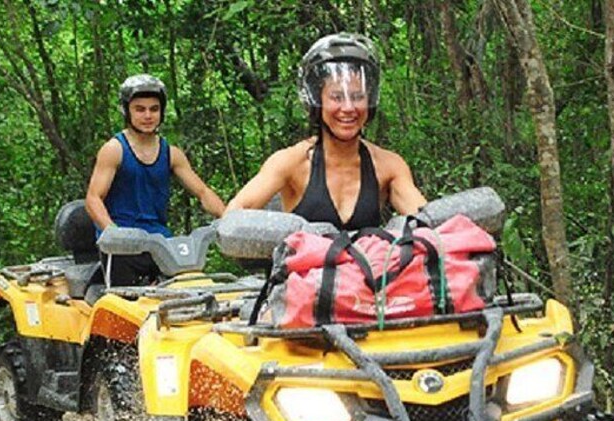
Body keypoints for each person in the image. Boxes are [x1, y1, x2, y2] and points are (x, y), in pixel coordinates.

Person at [226, 33, 426, 230]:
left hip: (369, 262)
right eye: (337, 97)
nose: (348, 108)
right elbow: (235, 214)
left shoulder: (389, 166)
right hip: (303, 262)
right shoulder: (291, 162)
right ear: (317, 101)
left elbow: (425, 222)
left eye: (357, 97)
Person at [85, 74, 225, 285]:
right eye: (140, 109)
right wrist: (112, 232)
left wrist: (228, 219)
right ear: (127, 111)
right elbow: (93, 198)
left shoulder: (172, 153)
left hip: (161, 244)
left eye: (154, 109)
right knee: (124, 309)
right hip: (122, 247)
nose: (148, 115)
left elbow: (203, 192)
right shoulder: (114, 149)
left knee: (190, 296)